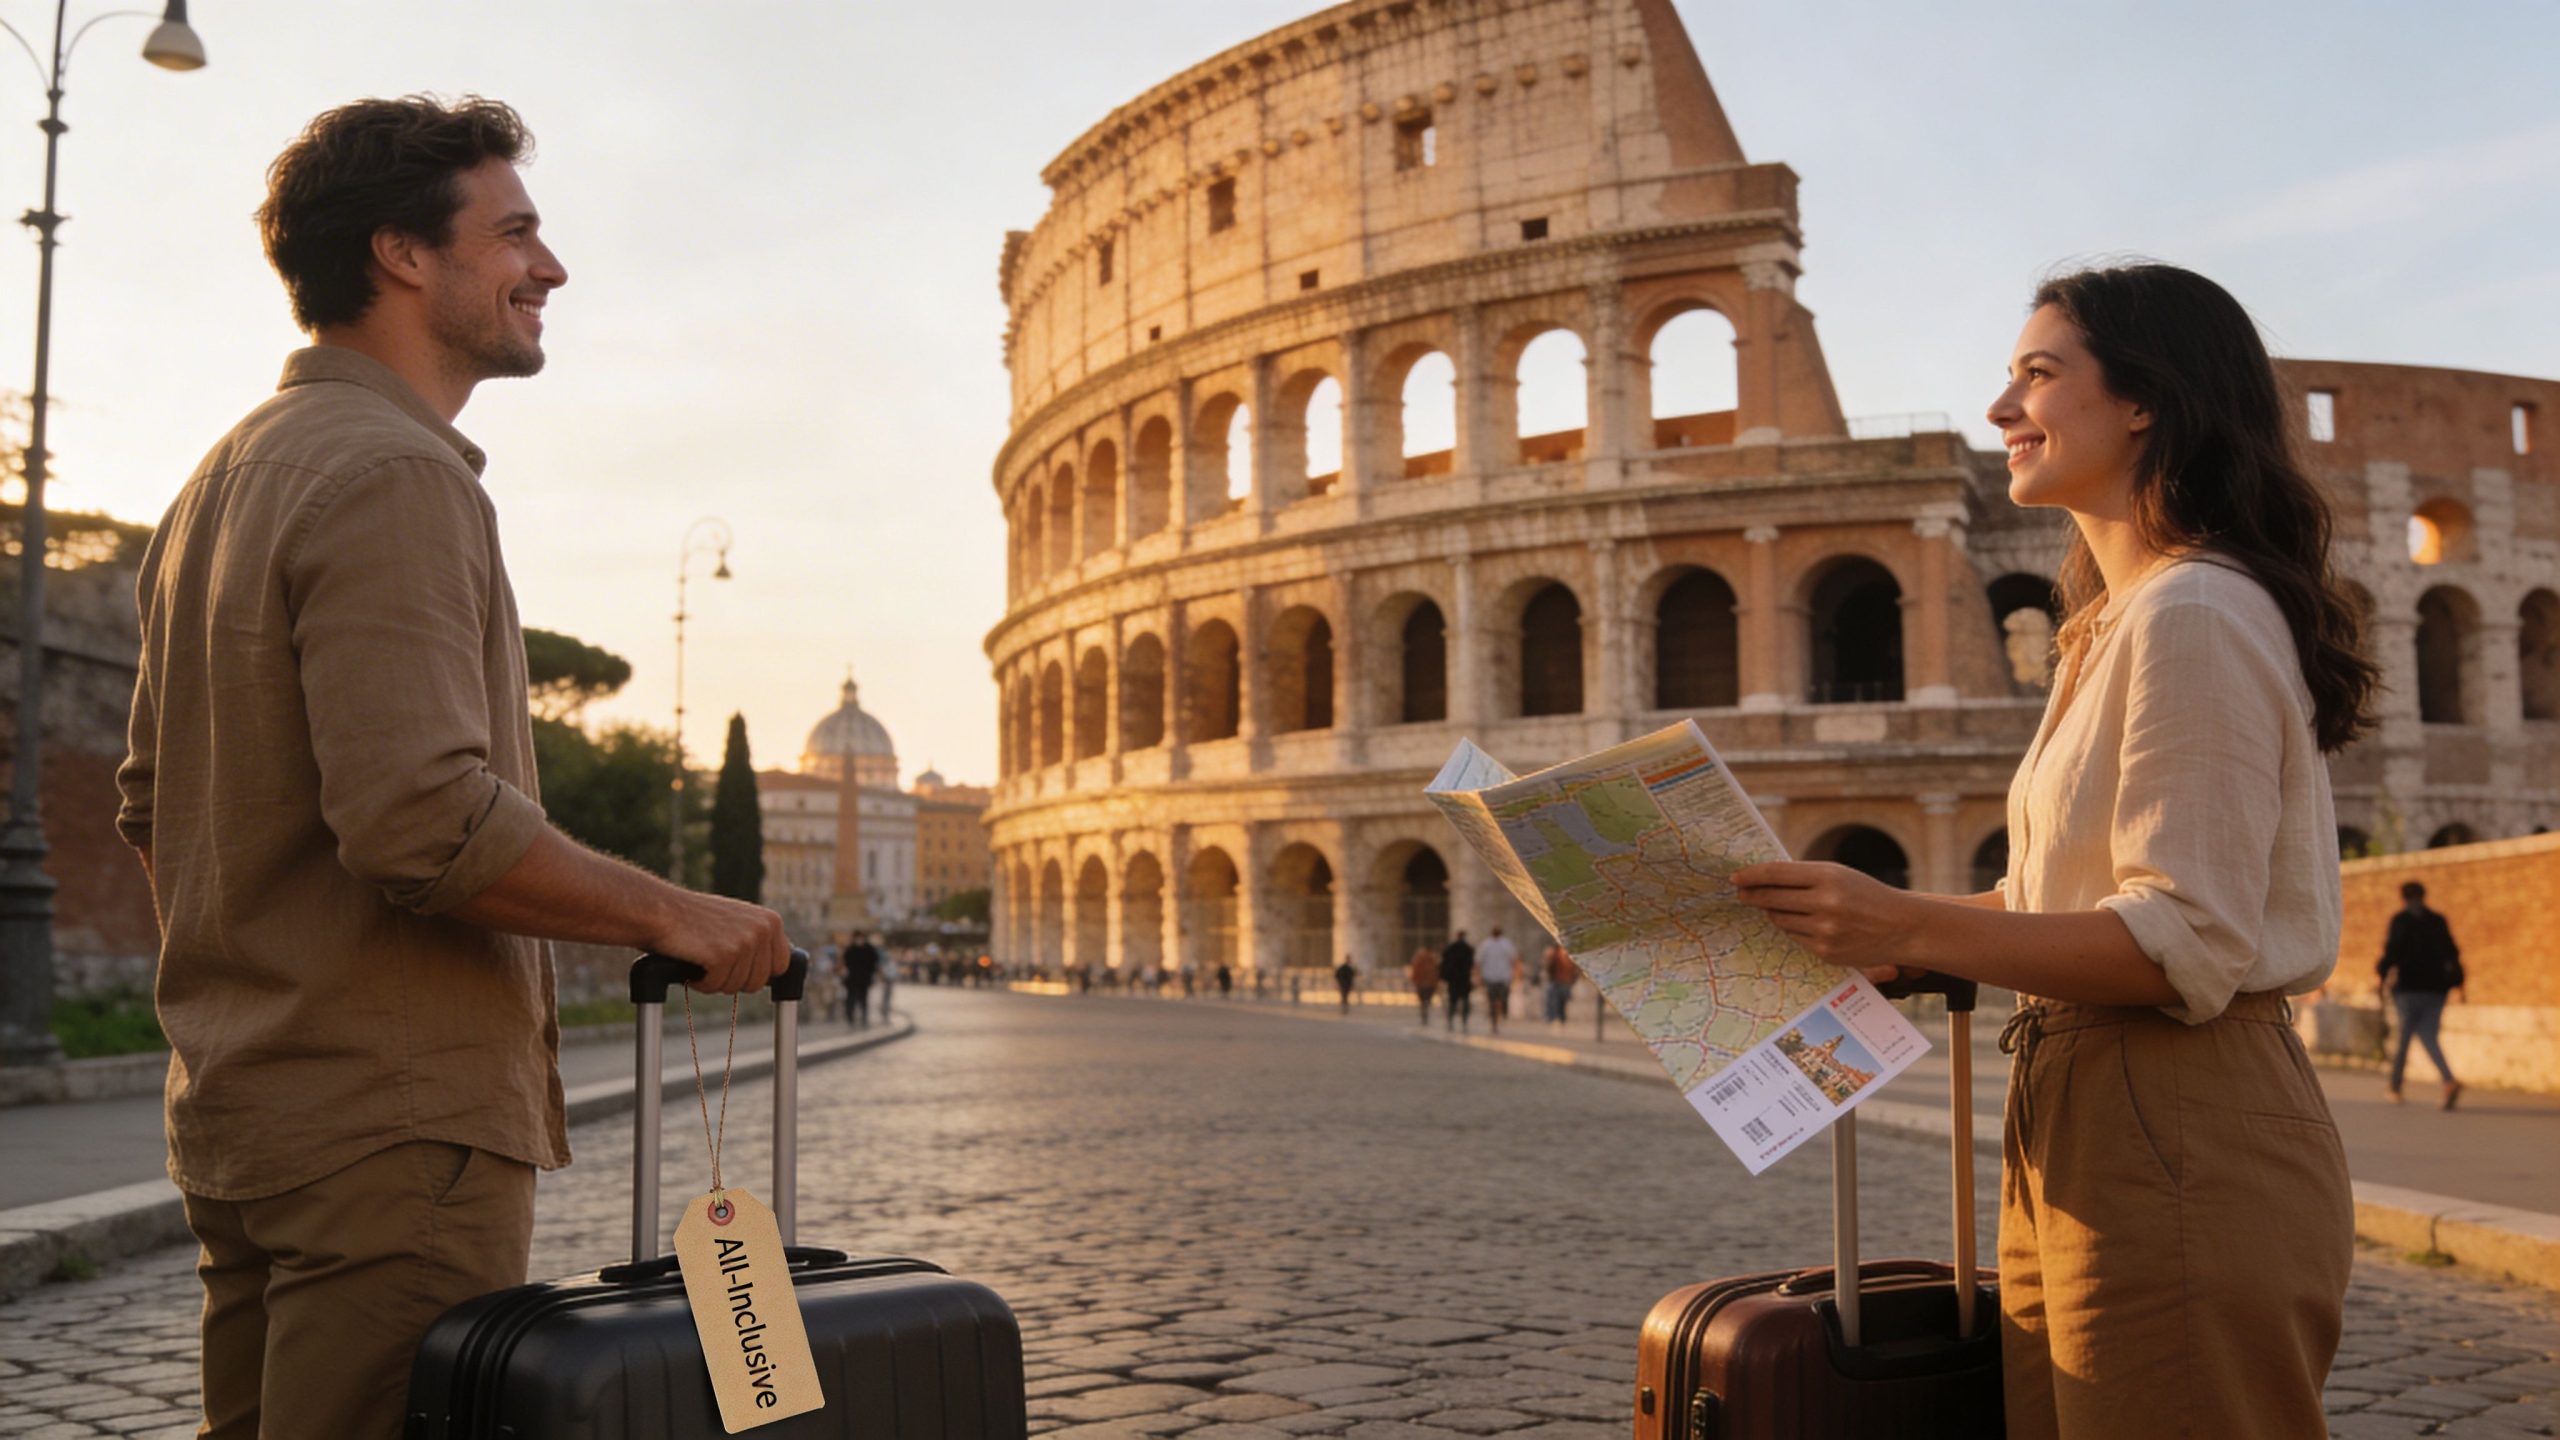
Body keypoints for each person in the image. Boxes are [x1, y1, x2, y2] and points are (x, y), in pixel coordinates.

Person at [114, 97, 792, 1440]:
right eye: (517, 233)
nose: (549, 269)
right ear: (403, 256)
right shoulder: (395, 473)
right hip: (390, 1131)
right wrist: (677, 911)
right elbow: (422, 820)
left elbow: (150, 801)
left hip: (248, 1115)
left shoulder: (219, 481)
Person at [1733, 263, 2375, 1440]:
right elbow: (2052, 900)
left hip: (2175, 1104)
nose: (2000, 409)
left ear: (2145, 400)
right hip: (2089, 1107)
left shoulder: (2192, 613)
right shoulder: (2111, 627)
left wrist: (1906, 925)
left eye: (2038, 374)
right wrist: (1865, 929)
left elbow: (2183, 940)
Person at [2377, 881, 2465, 1108]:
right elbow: (2452, 952)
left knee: (2405, 1036)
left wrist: (2382, 978)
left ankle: (2396, 1086)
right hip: (2437, 989)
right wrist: (2461, 985)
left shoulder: (2401, 921)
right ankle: (2448, 1080)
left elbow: (2392, 952)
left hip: (2409, 988)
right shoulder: (2437, 921)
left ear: (2403, 897)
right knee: (2428, 1034)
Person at [1475, 926, 1518, 1034]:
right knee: (1501, 999)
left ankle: (1495, 1020)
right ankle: (1500, 1018)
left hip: (1490, 977)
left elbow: (1478, 961)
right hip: (1503, 977)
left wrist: (1479, 976)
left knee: (1492, 1000)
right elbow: (1514, 959)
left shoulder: (1486, 944)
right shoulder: (1506, 944)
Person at [1439, 931, 1476, 1033]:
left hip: (1453, 980)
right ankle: (1464, 1021)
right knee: (1465, 1001)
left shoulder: (1450, 948)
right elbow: (1471, 964)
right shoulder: (1468, 949)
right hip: (1464, 979)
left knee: (1452, 1001)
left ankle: (1450, 1021)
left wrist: (1444, 977)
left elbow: (1444, 963)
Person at [843, 932, 882, 1026]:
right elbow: (846, 961)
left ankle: (864, 1017)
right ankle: (850, 1017)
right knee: (851, 999)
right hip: (852, 979)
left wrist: (871, 973)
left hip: (864, 979)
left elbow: (874, 962)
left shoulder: (869, 949)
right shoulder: (851, 949)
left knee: (863, 999)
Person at [1543, 942, 1577, 1026]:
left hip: (1559, 981)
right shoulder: (1563, 954)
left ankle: (1556, 1019)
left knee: (1557, 1002)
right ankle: (1559, 1019)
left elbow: (1548, 966)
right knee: (1559, 1002)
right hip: (1561, 981)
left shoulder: (1555, 953)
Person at [1407, 946, 1440, 1024]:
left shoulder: (1420, 961)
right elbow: (1435, 973)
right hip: (1428, 984)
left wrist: (1415, 981)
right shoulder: (1431, 960)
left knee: (1423, 1000)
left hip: (1422, 984)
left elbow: (1415, 973)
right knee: (1426, 1000)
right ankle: (1425, 1011)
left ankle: (1424, 1012)